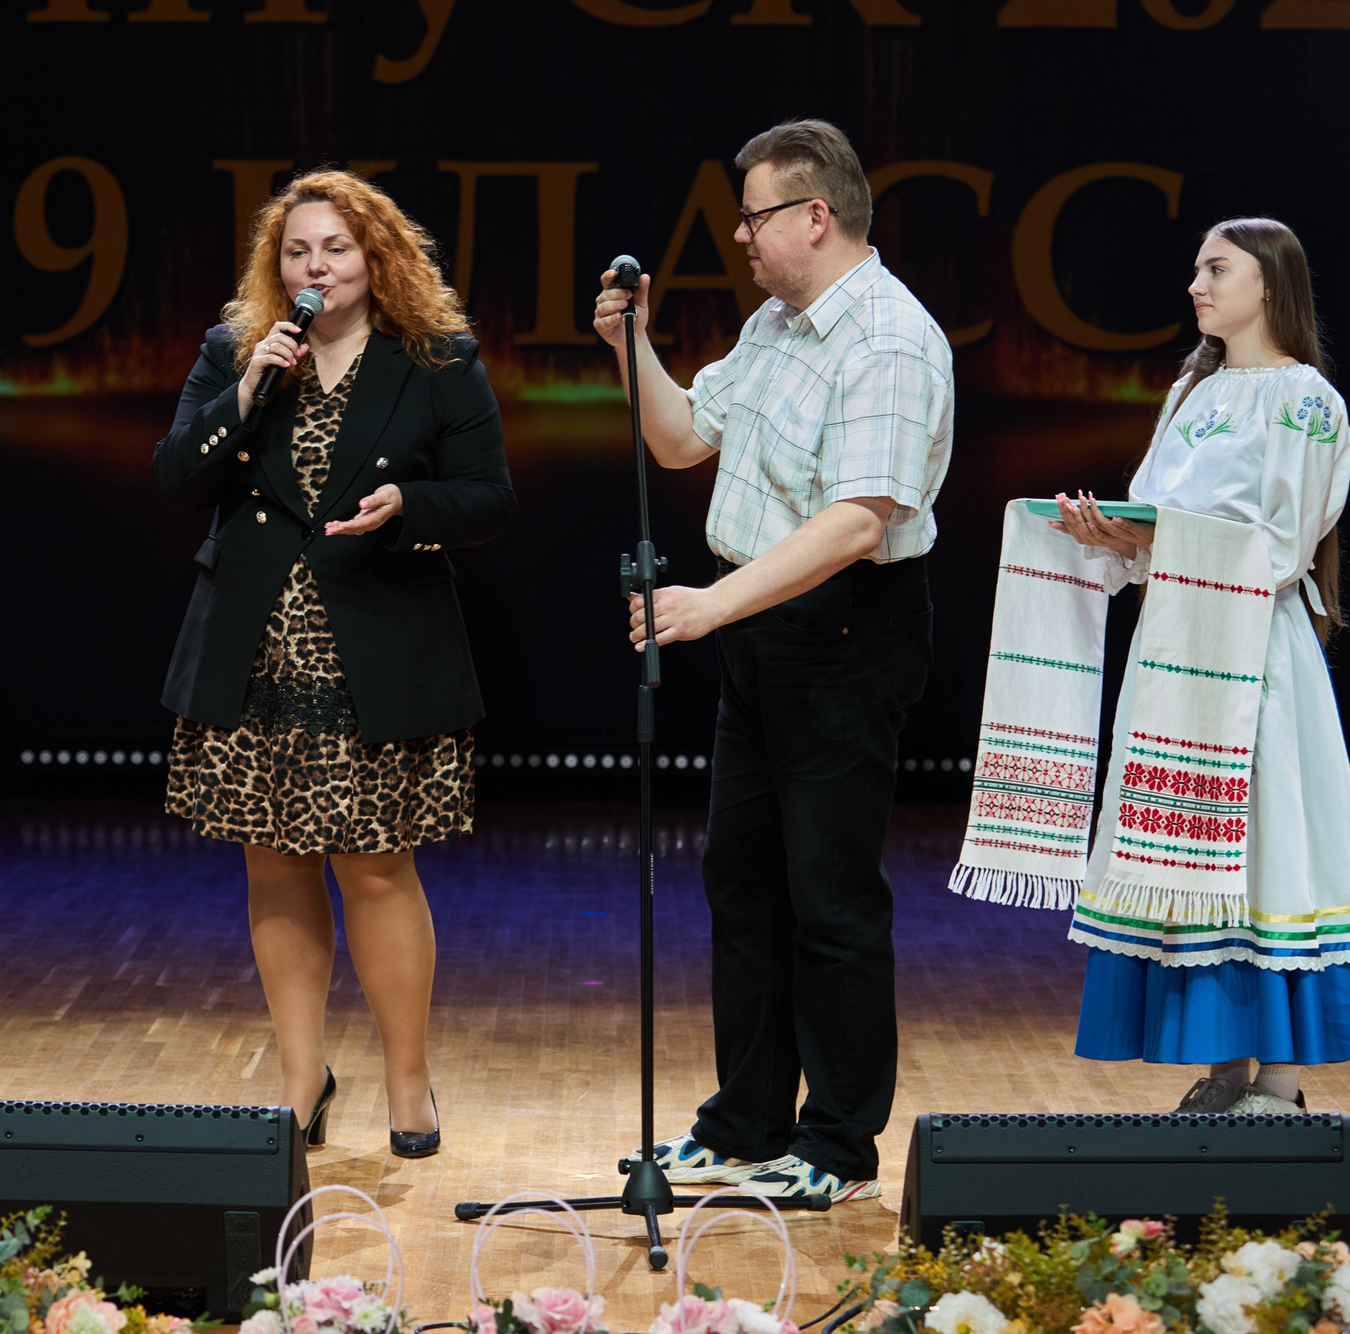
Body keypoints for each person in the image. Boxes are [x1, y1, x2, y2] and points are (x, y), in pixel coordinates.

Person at [597, 119, 953, 1207]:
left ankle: (839, 1144)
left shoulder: (886, 339)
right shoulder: (775, 326)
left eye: (753, 216)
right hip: (758, 626)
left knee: (828, 894)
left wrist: (709, 606)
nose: (740, 237)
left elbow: (856, 523)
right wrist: (631, 345)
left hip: (842, 630)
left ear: (814, 215)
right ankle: (745, 1121)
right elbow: (676, 442)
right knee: (740, 882)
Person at [157, 168, 512, 1159]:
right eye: (297, 251)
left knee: (376, 867)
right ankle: (299, 1076)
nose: (315, 267)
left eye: (336, 249)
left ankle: (408, 1082)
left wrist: (414, 509)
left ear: (376, 258)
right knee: (272, 864)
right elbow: (174, 475)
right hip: (253, 649)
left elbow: (489, 494)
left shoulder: (435, 359)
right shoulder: (237, 352)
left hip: (375, 646)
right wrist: (242, 392)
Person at [1049, 217, 1350, 1112]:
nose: (1196, 285)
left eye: (1216, 268)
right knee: (1189, 847)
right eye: (1197, 269)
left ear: (1269, 283)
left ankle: (1279, 1080)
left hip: (1253, 650)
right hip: (1176, 648)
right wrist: (1115, 534)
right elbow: (1157, 512)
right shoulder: (1193, 393)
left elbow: (1281, 542)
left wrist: (1158, 533)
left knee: (1265, 846)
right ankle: (1220, 1067)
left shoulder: (1307, 400)